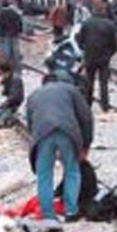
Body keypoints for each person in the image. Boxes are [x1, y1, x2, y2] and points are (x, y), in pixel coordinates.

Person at [26, 74, 94, 221]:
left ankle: (48, 214)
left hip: (42, 135)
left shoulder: (33, 95)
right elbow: (86, 118)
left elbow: (30, 123)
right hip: (67, 132)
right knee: (72, 171)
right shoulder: (71, 90)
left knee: (44, 174)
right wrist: (86, 145)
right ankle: (71, 211)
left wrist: (36, 142)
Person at [77, 8, 117, 111]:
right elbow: (114, 44)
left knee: (89, 81)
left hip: (90, 57)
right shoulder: (110, 24)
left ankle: (88, 103)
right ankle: (105, 105)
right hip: (104, 59)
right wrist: (108, 55)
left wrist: (86, 50)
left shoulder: (86, 23)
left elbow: (80, 41)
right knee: (104, 83)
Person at [0, 0, 23, 73]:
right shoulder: (16, 12)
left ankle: (6, 69)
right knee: (16, 53)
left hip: (4, 35)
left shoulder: (1, 13)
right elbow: (20, 24)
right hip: (15, 35)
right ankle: (18, 69)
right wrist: (19, 31)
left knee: (6, 53)